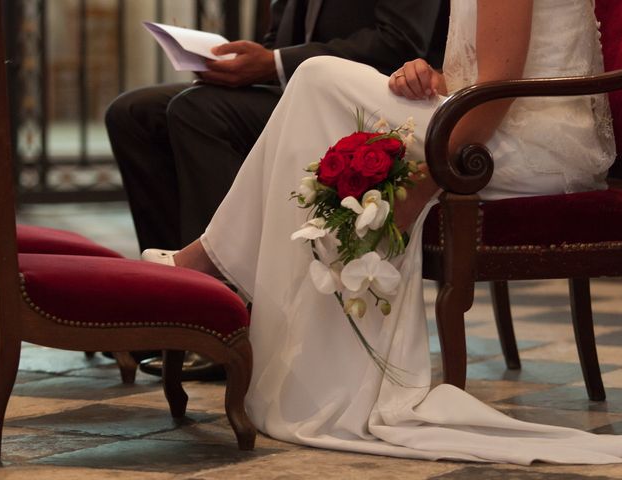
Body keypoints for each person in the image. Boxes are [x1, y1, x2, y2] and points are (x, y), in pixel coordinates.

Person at [142, 0, 622, 464]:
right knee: (319, 90)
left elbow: (501, 86)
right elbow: (481, 73)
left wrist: (430, 179)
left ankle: (213, 266)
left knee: (317, 80)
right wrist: (430, 77)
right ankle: (231, 278)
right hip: (494, 115)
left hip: (532, 143)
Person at [106, 0, 449, 379]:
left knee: (197, 111)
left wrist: (274, 63)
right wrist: (242, 64)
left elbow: (398, 43)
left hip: (372, 100)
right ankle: (170, 315)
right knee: (133, 114)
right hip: (292, 87)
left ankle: (225, 325)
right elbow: (280, 37)